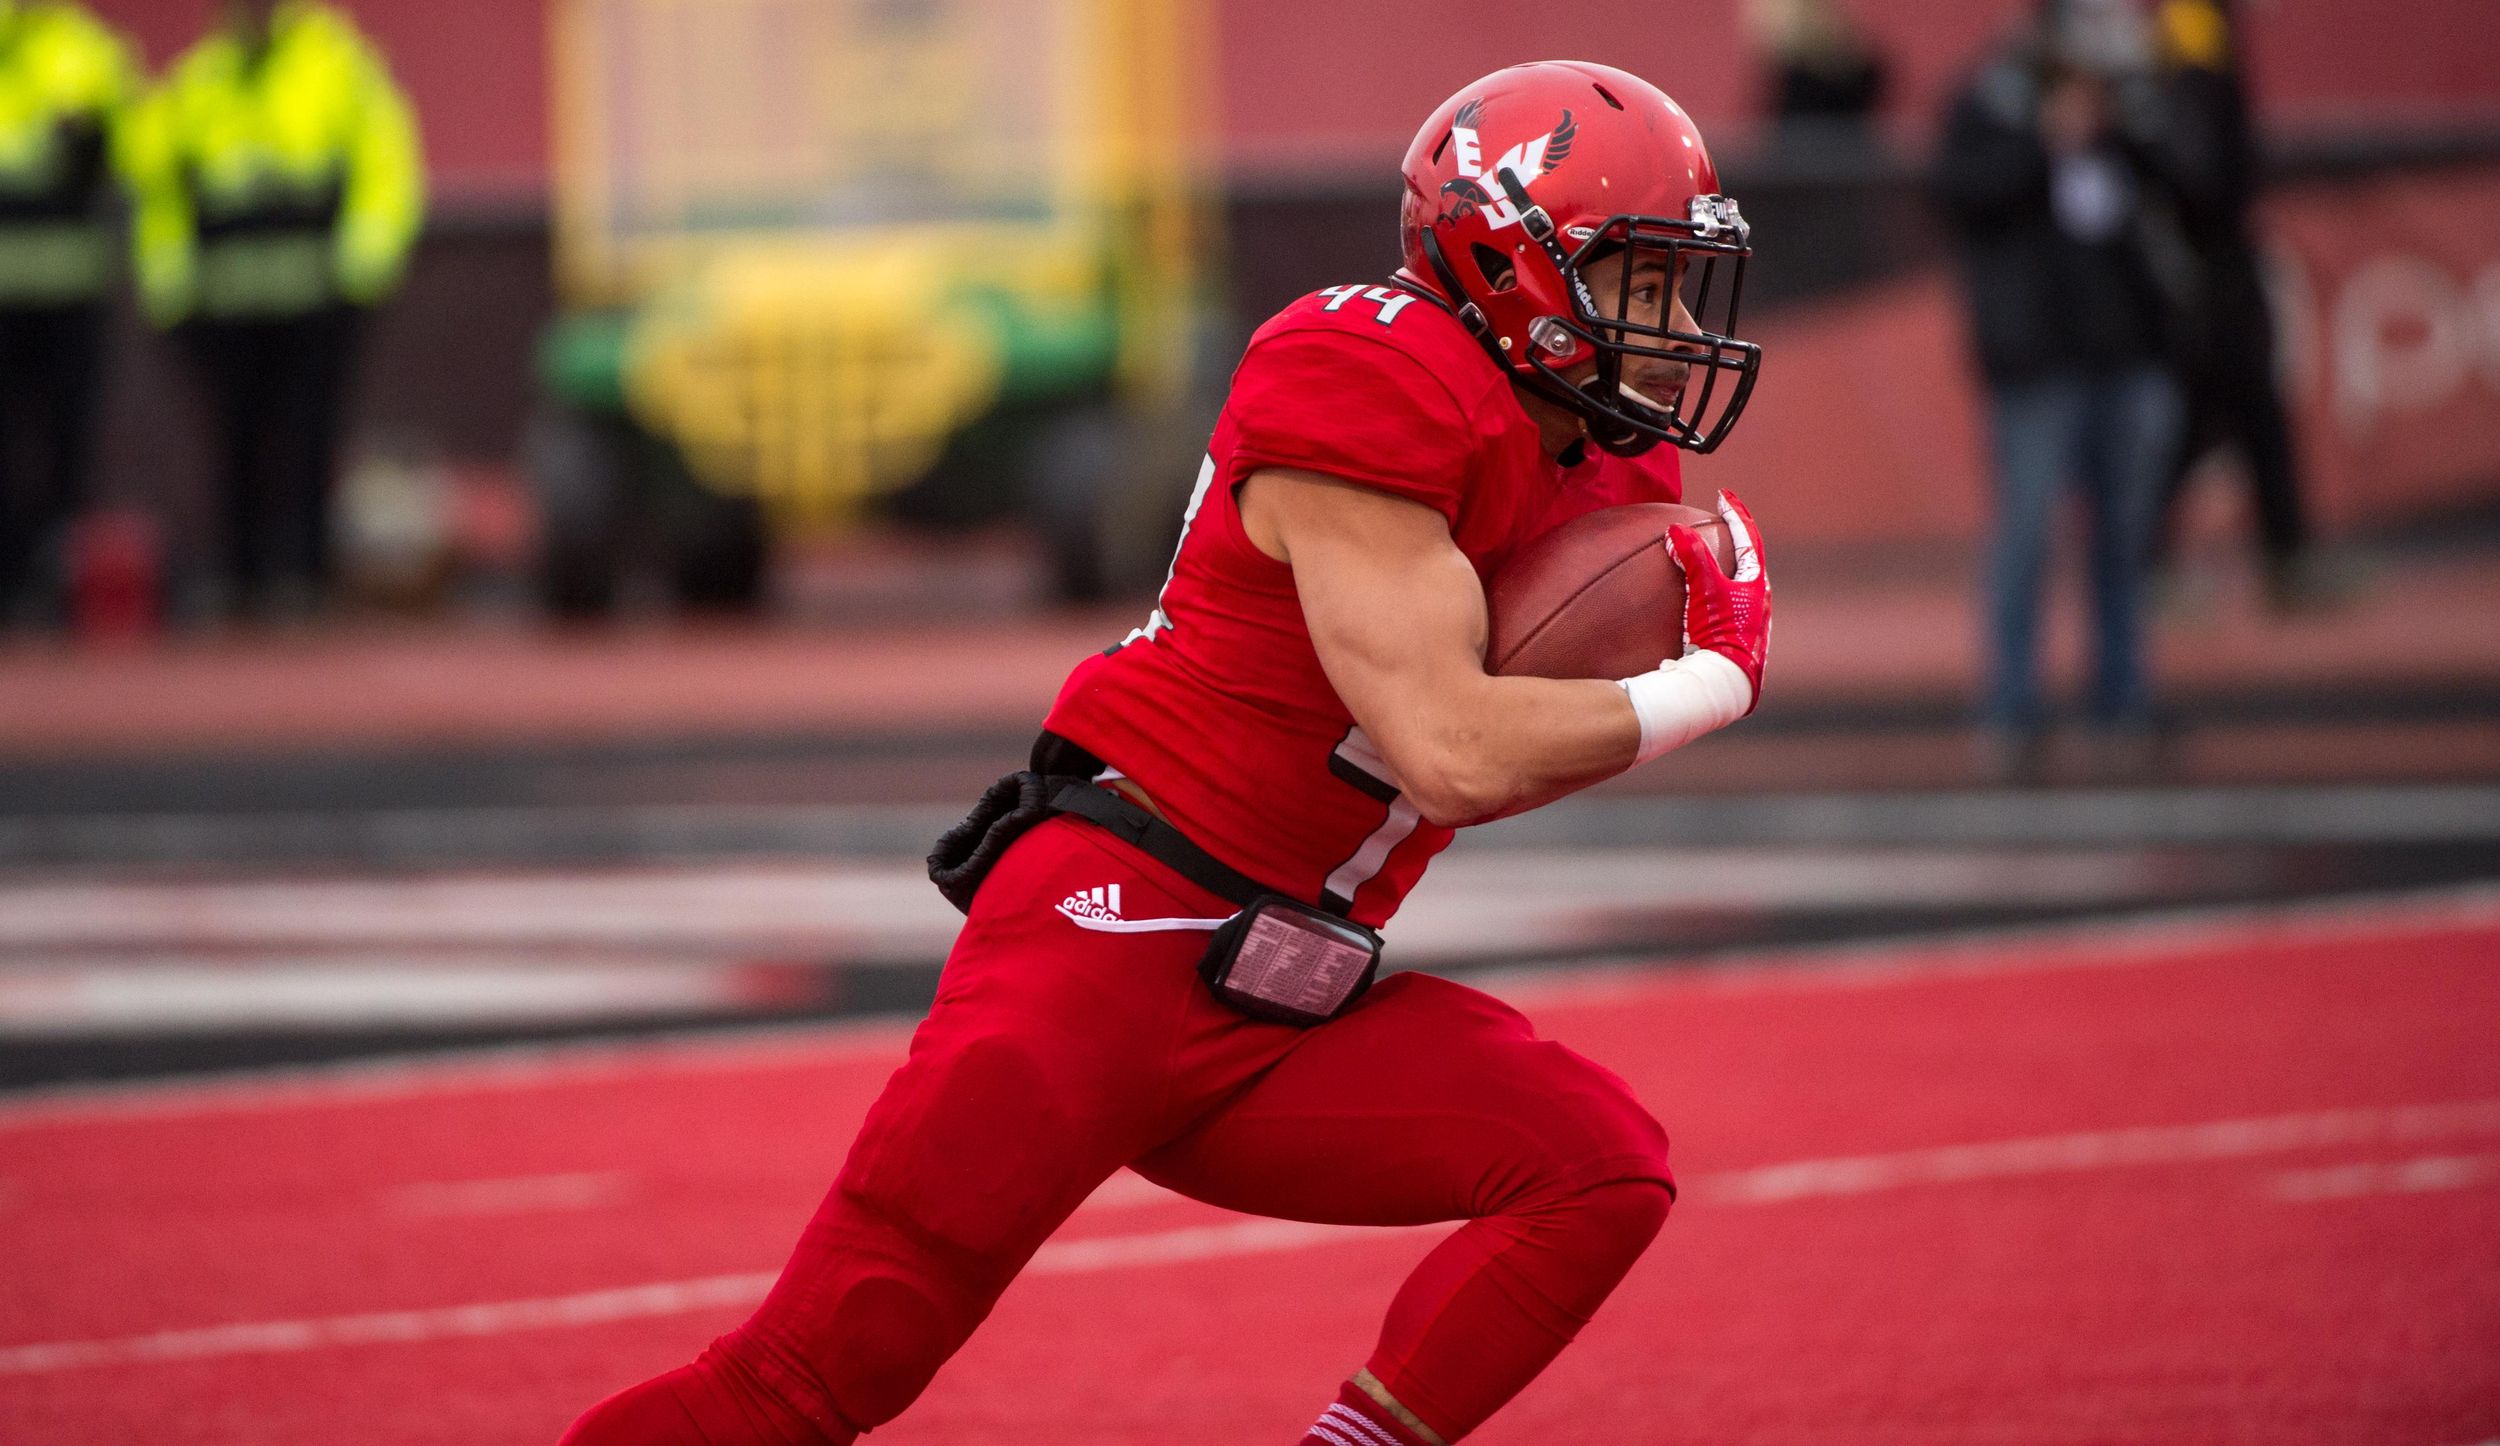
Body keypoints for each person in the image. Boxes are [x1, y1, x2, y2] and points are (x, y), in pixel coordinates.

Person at [560, 61, 1773, 1446]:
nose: (1677, 330)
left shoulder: (1602, 469)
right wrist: (1710, 682)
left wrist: (1654, 680)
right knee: (814, 1377)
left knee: (1596, 1166)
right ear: (1514, 262)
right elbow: (1450, 750)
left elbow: (1468, 759)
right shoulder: (1370, 367)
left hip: (1282, 979)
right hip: (1110, 935)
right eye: (1641, 282)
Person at [1933, 0, 2187, 775]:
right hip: (2037, 361)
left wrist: (2124, 125)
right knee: (2029, 533)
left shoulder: (2130, 110)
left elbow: (2189, 181)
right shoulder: (1991, 99)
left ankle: (2124, 694)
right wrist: (2049, 137)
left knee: (2127, 534)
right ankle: (2012, 706)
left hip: (2126, 353)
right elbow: (1962, 192)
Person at [119, 0, 421, 621]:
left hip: (316, 301)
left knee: (309, 440)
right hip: (225, 307)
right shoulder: (198, 82)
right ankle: (240, 577)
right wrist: (171, 286)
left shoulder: (338, 70)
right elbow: (158, 182)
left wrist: (362, 264)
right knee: (235, 444)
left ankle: (303, 577)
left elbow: (387, 166)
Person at [2147, 0, 2322, 611]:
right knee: (2194, 416)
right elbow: (2196, 145)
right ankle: (2153, 567)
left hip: (2212, 258)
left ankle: (2287, 555)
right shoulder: (2188, 20)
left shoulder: (2199, 20)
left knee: (2237, 413)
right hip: (2205, 265)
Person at [0, 0, 137, 629]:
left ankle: (61, 588)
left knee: (68, 445)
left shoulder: (91, 54)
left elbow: (140, 149)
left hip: (71, 289)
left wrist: (98, 144)